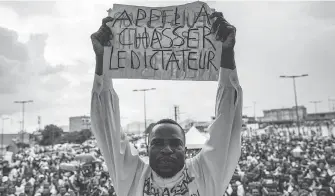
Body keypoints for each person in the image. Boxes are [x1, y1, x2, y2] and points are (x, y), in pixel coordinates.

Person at [90, 8, 243, 196]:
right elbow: (106, 124)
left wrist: (226, 54)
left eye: (175, 143)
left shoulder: (204, 174)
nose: (167, 150)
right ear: (147, 149)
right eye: (158, 143)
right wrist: (102, 59)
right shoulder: (132, 176)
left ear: (186, 150)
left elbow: (226, 123)